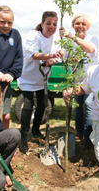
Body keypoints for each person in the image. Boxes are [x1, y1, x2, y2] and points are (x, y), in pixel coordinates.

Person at [17, 11, 64, 154]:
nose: (51, 26)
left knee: (42, 104)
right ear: (42, 24)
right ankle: (23, 136)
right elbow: (34, 54)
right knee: (28, 105)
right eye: (48, 23)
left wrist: (52, 60)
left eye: (55, 24)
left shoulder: (56, 39)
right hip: (28, 77)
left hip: (42, 77)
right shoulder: (33, 35)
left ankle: (36, 129)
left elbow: (58, 56)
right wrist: (48, 56)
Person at [59, 13, 99, 148]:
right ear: (73, 25)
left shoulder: (93, 38)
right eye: (77, 23)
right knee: (77, 106)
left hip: (90, 80)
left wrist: (72, 37)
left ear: (88, 27)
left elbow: (91, 49)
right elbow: (64, 58)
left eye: (83, 24)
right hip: (76, 80)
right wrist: (71, 59)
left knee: (88, 105)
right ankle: (79, 132)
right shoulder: (68, 42)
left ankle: (88, 136)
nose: (80, 26)